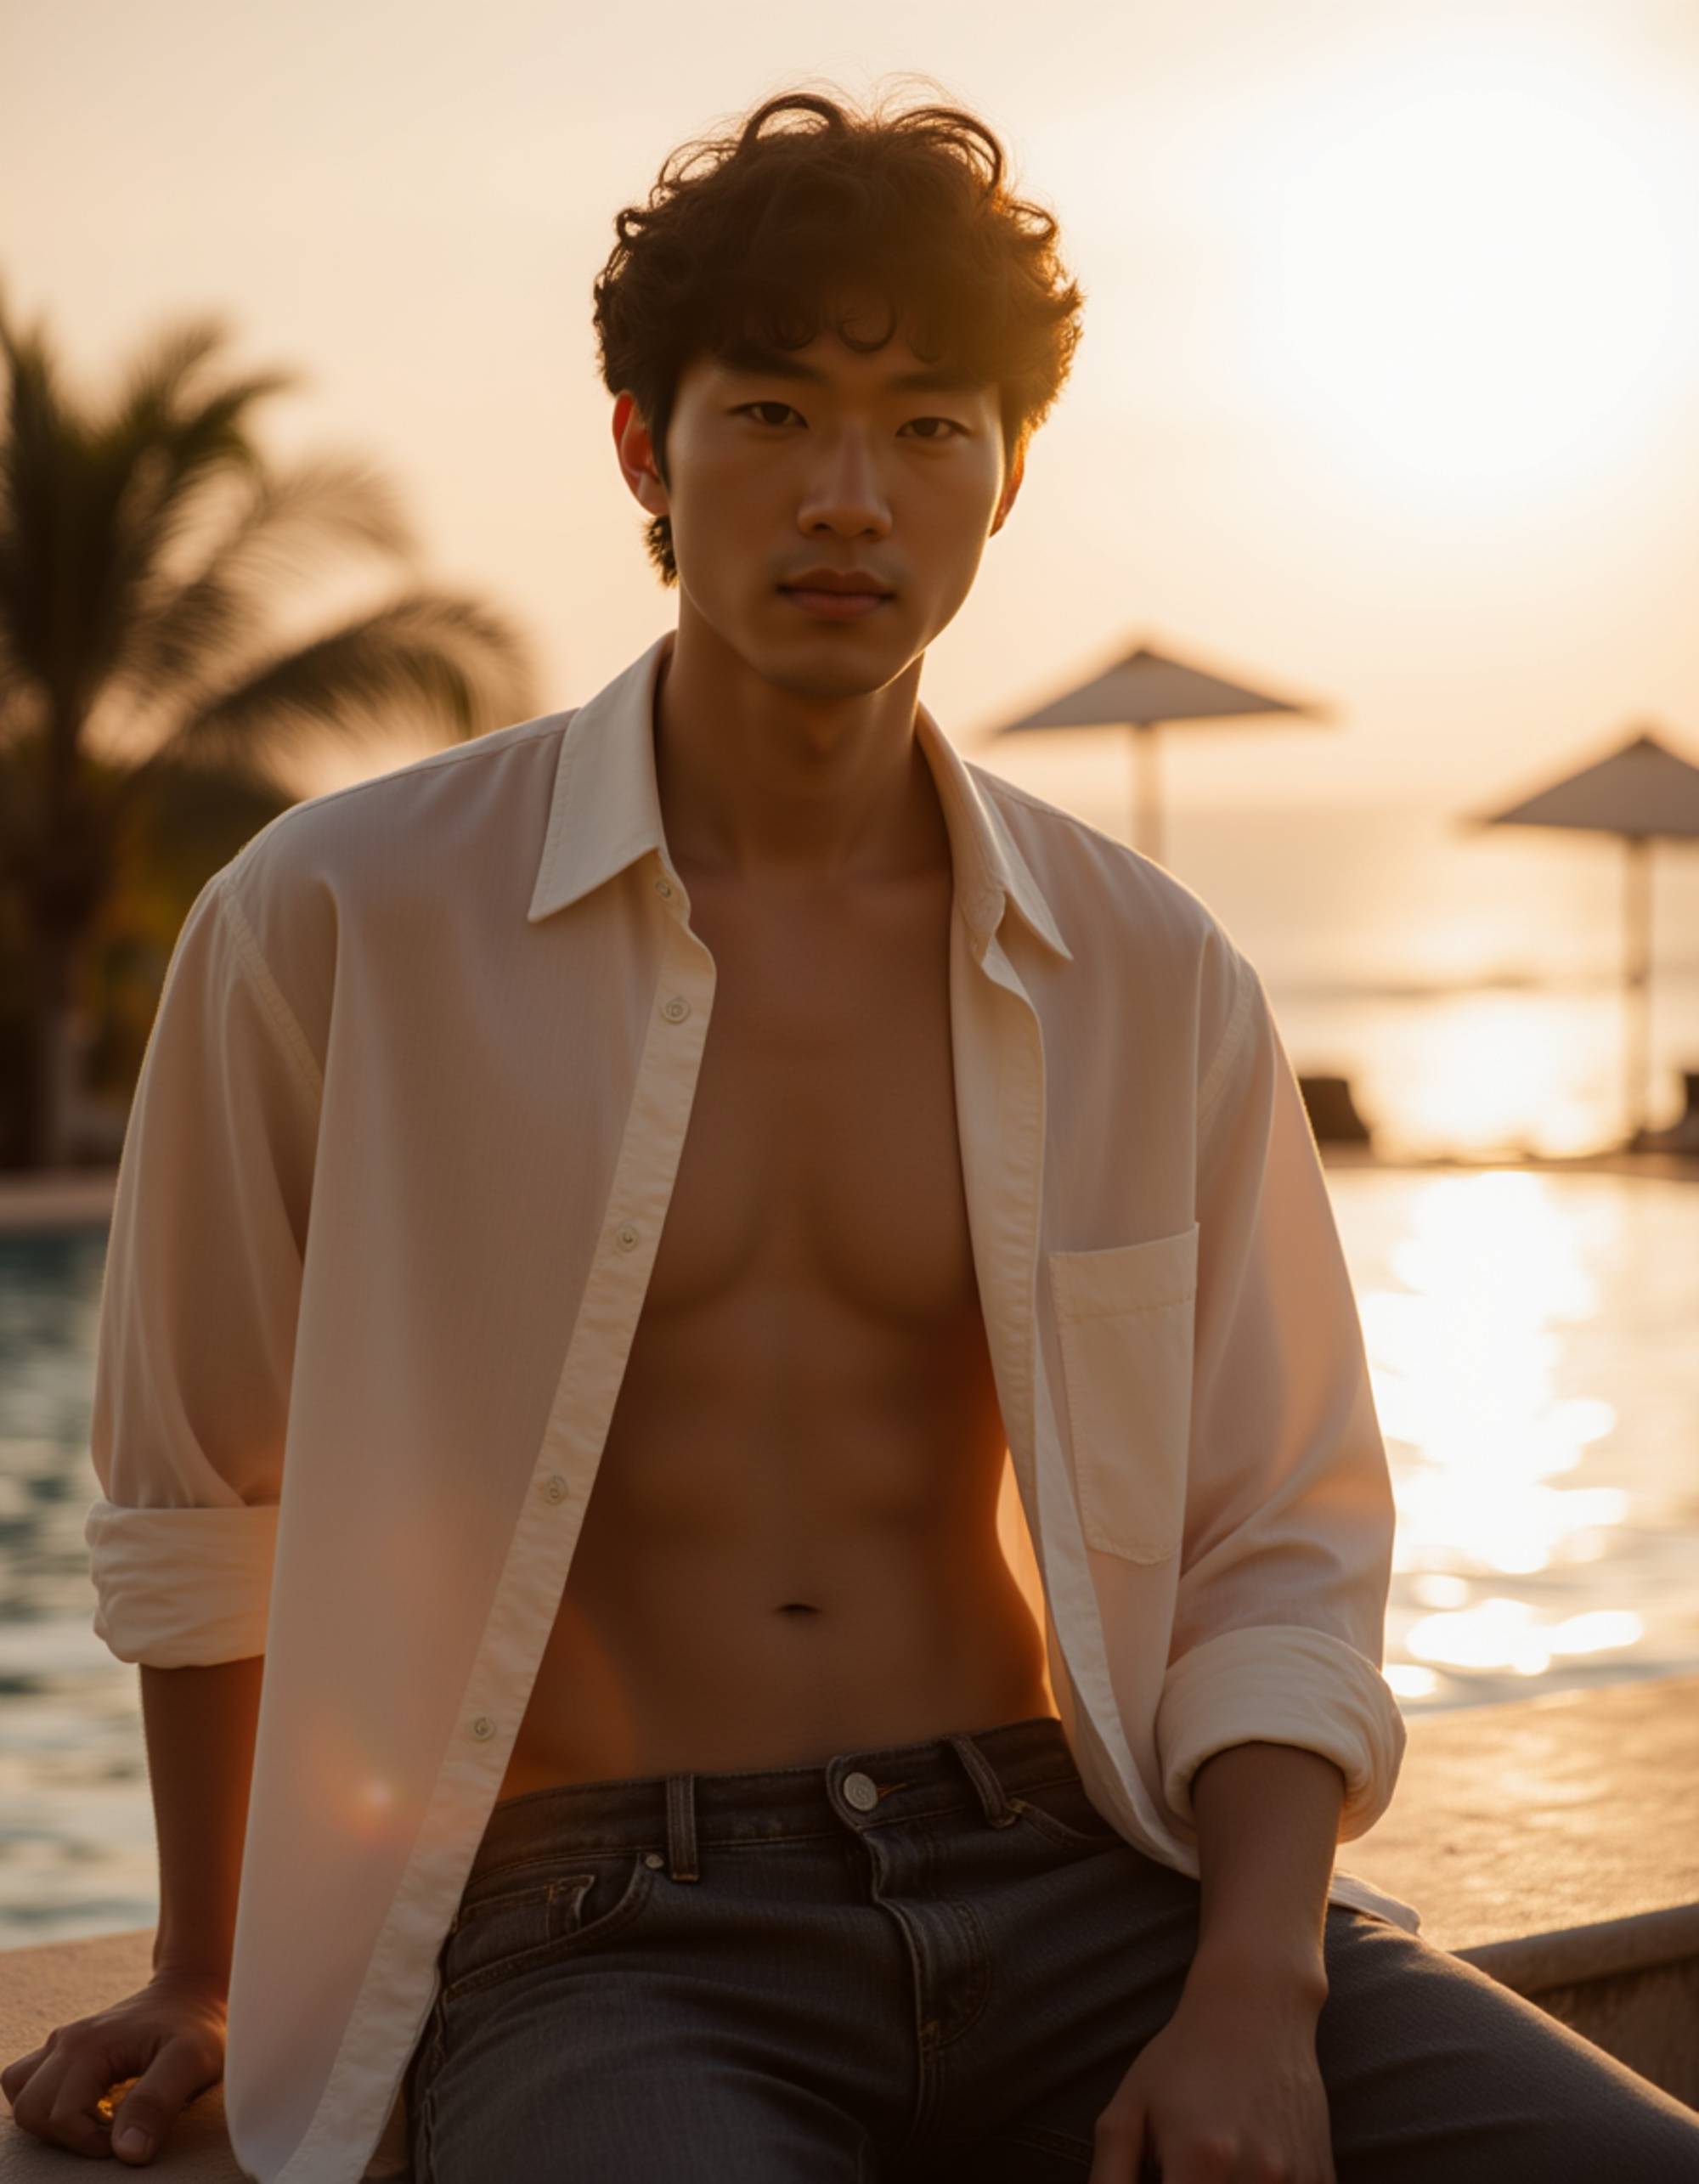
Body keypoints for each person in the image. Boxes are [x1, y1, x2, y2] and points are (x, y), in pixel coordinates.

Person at [7, 82, 1699, 2184]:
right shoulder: (336, 919)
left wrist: (1254, 1987)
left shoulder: (1141, 966)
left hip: (1083, 1871)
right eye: (778, 412)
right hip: (597, 1929)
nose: (849, 498)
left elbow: (1278, 1537)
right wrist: (205, 1955)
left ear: (1004, 478)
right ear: (646, 445)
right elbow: (201, 1496)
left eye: (927, 430)